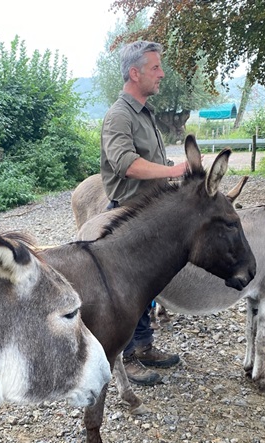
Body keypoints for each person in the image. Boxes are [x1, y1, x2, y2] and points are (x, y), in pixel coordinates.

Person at [100, 40, 189, 386]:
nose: (161, 73)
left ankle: (144, 345)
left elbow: (152, 160)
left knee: (149, 285)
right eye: (155, 68)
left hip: (150, 213)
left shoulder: (145, 112)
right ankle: (125, 358)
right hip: (129, 215)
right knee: (128, 292)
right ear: (134, 73)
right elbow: (125, 164)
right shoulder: (119, 115)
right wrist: (172, 172)